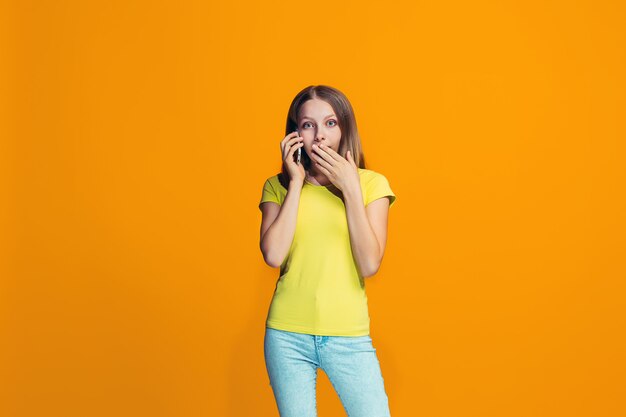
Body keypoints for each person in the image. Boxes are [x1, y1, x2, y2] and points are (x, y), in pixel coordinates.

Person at [258, 85, 396, 417]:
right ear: (295, 134)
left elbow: (369, 263)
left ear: (345, 128)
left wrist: (350, 188)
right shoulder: (277, 186)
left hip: (348, 335)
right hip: (287, 335)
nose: (319, 136)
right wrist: (295, 182)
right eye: (308, 125)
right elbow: (273, 255)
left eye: (330, 123)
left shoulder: (371, 185)